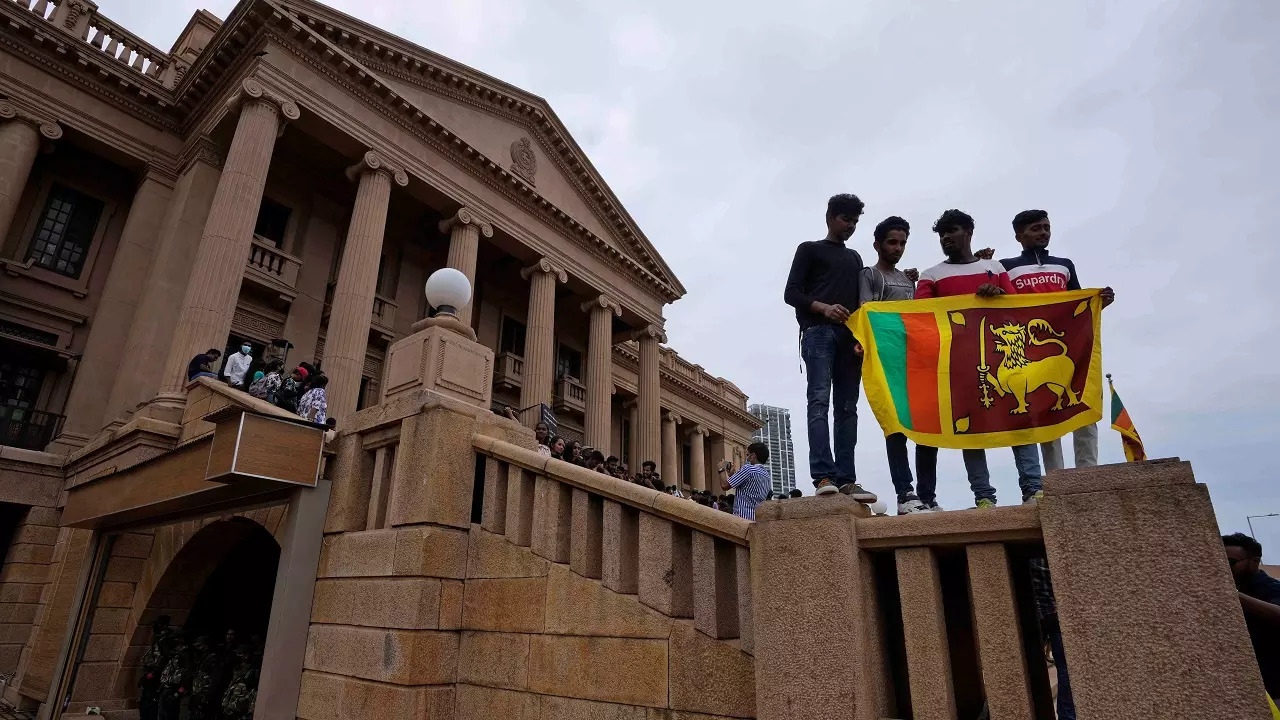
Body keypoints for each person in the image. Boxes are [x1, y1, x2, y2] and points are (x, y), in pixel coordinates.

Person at [915, 209, 1043, 508]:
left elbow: (1018, 307)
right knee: (970, 426)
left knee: (1019, 415)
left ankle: (1033, 488)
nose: (946, 237)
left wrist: (998, 292)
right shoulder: (931, 275)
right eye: (942, 233)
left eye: (953, 230)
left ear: (969, 233)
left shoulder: (994, 267)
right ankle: (984, 496)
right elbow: (921, 316)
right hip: (959, 361)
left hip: (1005, 357)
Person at [999, 210, 1114, 473]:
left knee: (1082, 402)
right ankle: (1056, 476)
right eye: (1036, 228)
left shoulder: (1065, 264)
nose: (1043, 233)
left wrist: (1100, 303)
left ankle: (1088, 472)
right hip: (1032, 350)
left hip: (1070, 346)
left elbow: (1077, 305)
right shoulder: (1006, 266)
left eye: (1046, 227)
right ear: (1019, 235)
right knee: (1046, 408)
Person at [783, 193, 875, 502]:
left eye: (854, 222)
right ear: (830, 218)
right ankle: (823, 475)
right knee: (819, 402)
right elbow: (791, 293)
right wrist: (823, 308)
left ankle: (847, 479)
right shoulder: (809, 250)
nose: (849, 226)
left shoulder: (855, 259)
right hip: (819, 333)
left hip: (851, 338)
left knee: (848, 409)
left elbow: (864, 302)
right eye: (845, 219)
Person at [860, 216, 932, 514]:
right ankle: (905, 493)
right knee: (895, 430)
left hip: (912, 361)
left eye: (903, 243)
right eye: (892, 242)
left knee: (927, 428)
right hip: (885, 362)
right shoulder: (869, 274)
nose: (898, 248)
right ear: (878, 244)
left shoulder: (907, 279)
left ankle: (927, 495)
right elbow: (866, 312)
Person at [1224, 533, 1280, 698]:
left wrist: (1234, 595)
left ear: (1254, 562)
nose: (1225, 567)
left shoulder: (1271, 587)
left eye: (1231, 562)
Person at [1029, 558, 1075, 719]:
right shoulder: (1048, 554)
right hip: (1055, 616)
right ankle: (1066, 715)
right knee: (1065, 669)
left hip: (1035, 617)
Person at [717, 441, 772, 521]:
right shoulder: (767, 476)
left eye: (747, 455)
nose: (747, 457)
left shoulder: (748, 469)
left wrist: (721, 469)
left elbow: (724, 485)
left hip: (742, 518)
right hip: (756, 519)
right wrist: (732, 475)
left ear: (753, 456)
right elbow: (748, 489)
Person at [138, 615, 174, 720]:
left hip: (157, 676)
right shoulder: (159, 637)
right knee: (145, 702)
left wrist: (152, 674)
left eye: (159, 624)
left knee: (151, 703)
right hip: (152, 672)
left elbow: (165, 659)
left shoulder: (166, 639)